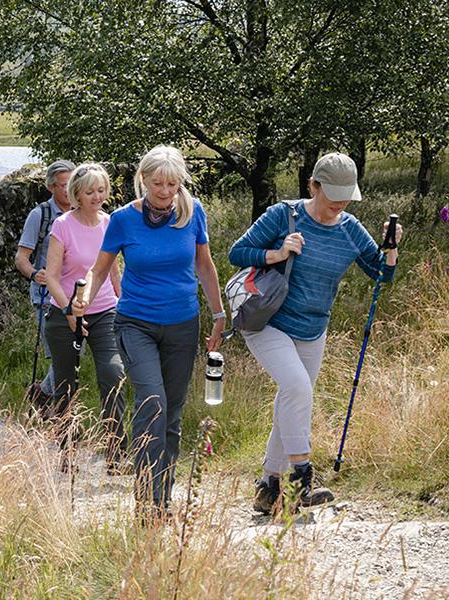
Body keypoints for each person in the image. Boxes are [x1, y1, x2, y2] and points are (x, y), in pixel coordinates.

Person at [229, 152, 402, 514]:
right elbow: (237, 252)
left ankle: (268, 487)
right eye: (332, 195)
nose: (338, 204)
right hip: (268, 320)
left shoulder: (350, 228)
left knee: (292, 398)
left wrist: (391, 250)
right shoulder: (284, 214)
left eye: (345, 197)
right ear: (313, 186)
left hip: (313, 328)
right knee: (297, 388)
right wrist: (277, 253)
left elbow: (381, 277)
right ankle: (302, 480)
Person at [74, 146, 225, 518]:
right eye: (157, 183)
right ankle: (145, 501)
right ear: (142, 180)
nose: (164, 191)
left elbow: (204, 266)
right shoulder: (124, 220)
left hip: (182, 324)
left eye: (172, 184)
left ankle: (161, 499)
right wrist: (83, 299)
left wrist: (219, 313)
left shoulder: (192, 212)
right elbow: (100, 268)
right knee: (152, 403)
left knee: (171, 415)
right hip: (135, 322)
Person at [43, 163, 128, 475]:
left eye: (102, 190)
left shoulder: (110, 224)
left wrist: (123, 302)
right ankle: (68, 454)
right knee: (66, 385)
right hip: (64, 312)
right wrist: (68, 311)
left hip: (105, 311)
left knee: (113, 374)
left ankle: (117, 455)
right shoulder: (63, 226)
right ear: (75, 194)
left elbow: (113, 269)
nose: (97, 196)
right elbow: (51, 276)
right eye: (90, 191)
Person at [14, 160, 75, 411]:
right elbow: (21, 257)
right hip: (46, 296)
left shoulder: (84, 214)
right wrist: (34, 274)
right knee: (62, 355)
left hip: (76, 295)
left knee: (72, 354)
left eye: (72, 184)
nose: (68, 190)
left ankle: (43, 394)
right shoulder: (41, 215)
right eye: (63, 185)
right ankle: (58, 408)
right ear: (51, 187)